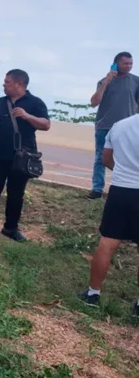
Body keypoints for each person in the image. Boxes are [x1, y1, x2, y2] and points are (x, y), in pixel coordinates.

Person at [0, 69, 50, 242]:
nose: (4, 84)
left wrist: (26, 116)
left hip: (22, 157)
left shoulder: (35, 102)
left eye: (7, 82)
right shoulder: (0, 102)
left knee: (16, 193)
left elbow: (46, 124)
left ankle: (10, 228)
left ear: (19, 84)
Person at [78, 113, 139, 318]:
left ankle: (92, 294)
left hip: (120, 190)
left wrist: (124, 170)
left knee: (107, 243)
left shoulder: (119, 125)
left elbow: (105, 158)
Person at [86, 52, 139, 200]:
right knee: (100, 158)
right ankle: (97, 189)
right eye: (125, 63)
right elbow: (94, 102)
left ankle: (127, 186)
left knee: (130, 157)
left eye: (131, 63)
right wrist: (107, 81)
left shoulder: (136, 81)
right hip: (105, 126)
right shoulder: (104, 81)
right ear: (115, 64)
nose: (128, 66)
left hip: (128, 129)